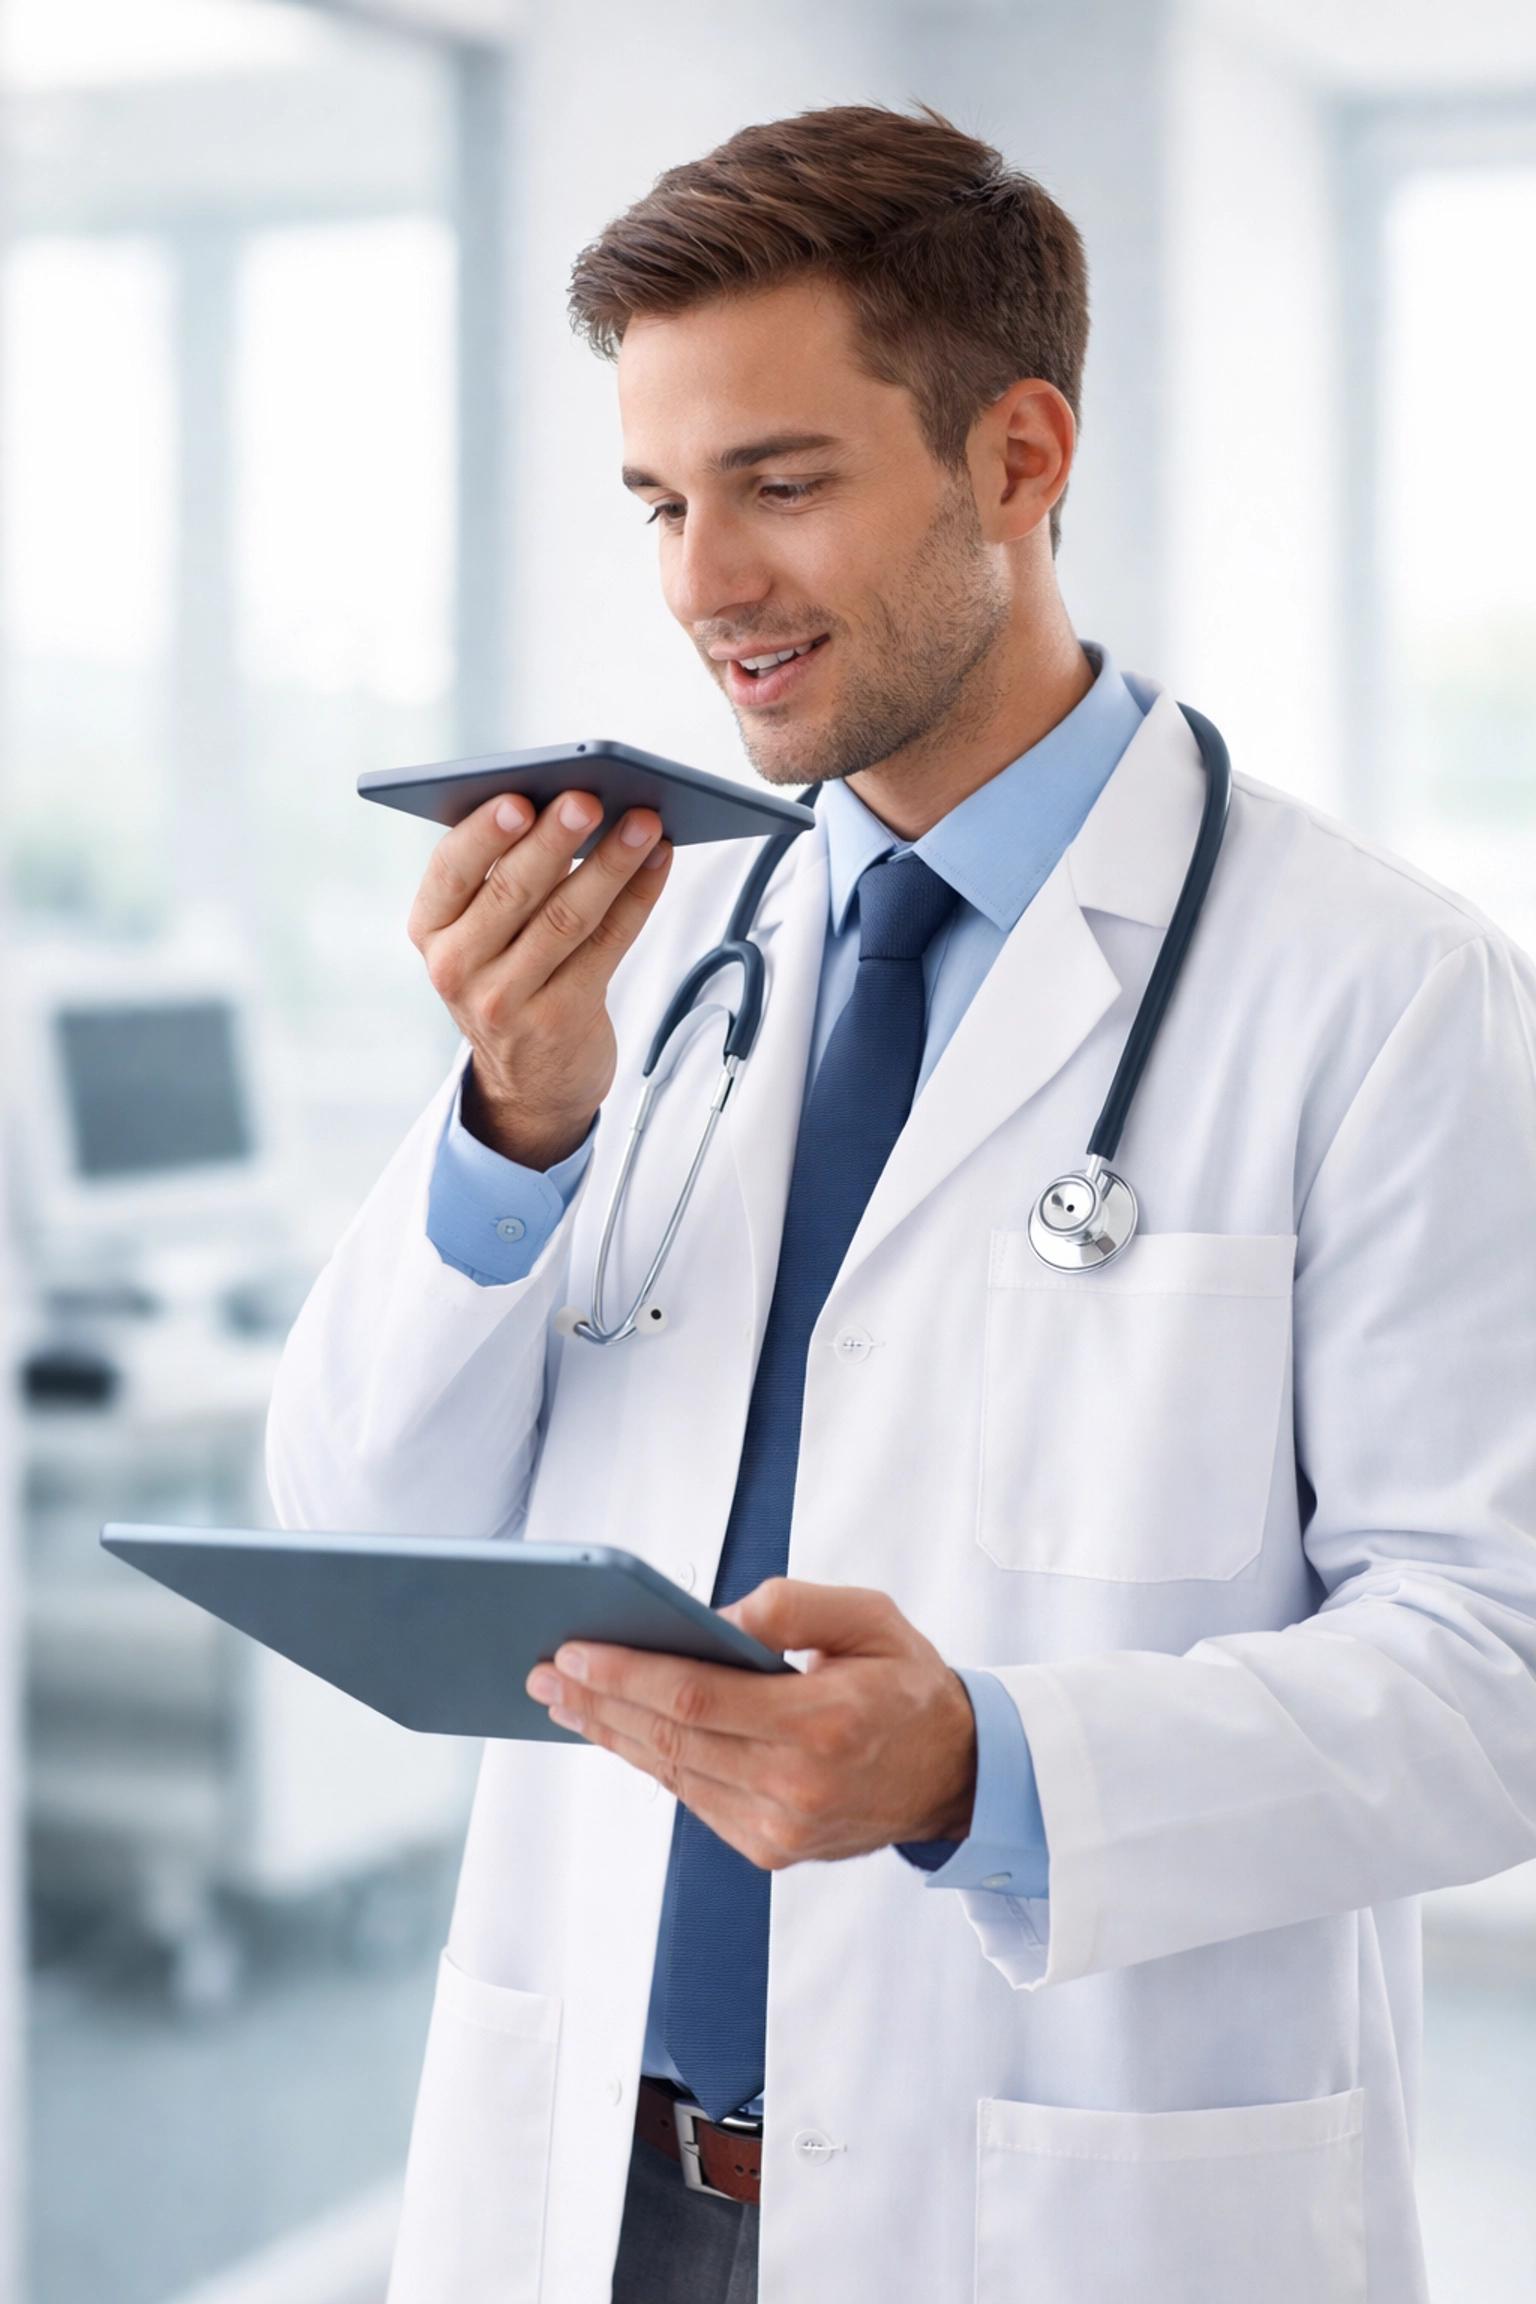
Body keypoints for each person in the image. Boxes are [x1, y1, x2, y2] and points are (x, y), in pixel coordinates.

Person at [266, 105, 1536, 2304]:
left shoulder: (1386, 994)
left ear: (1019, 458)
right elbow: (360, 1515)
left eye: (781, 482)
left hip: (1058, 2206)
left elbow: (1496, 1673)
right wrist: (514, 1129)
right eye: (664, 501)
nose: (698, 586)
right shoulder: (647, 960)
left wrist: (984, 1765)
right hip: (596, 2183)